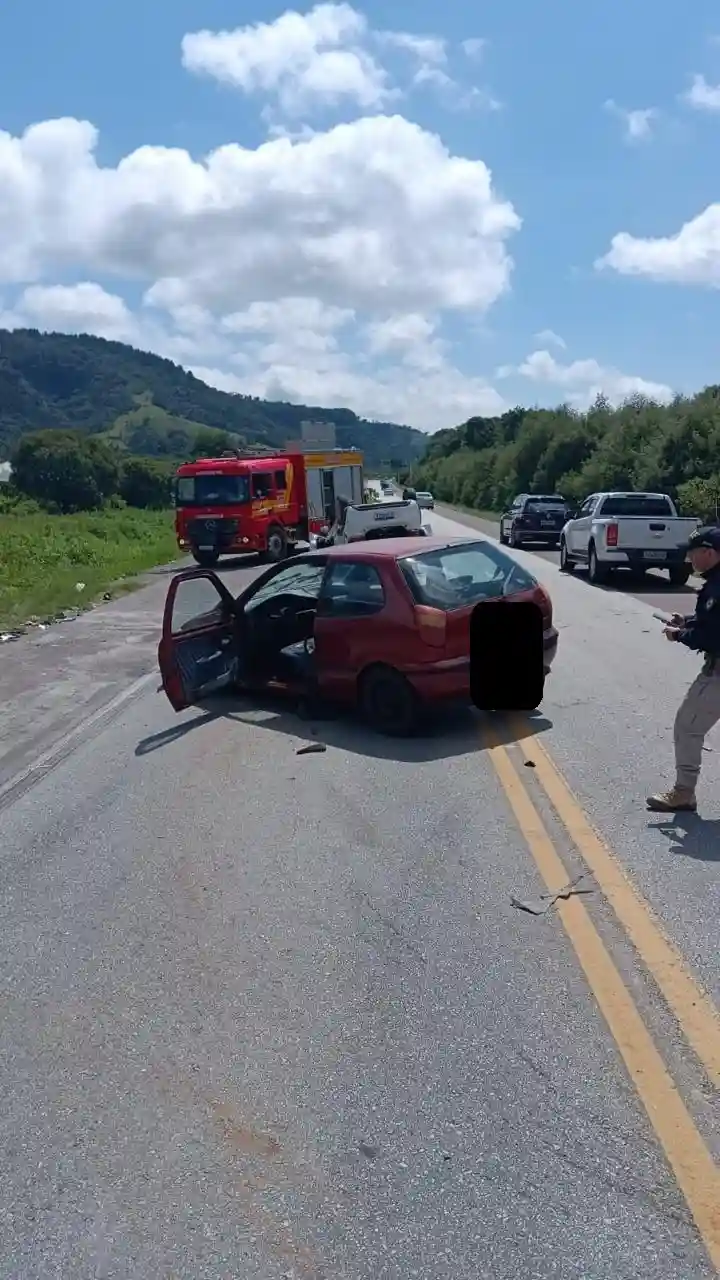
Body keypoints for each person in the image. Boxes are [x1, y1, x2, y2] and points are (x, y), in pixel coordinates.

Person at [647, 525, 720, 812]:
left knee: (687, 726)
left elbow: (712, 636)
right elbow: (711, 621)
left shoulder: (717, 585)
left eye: (693, 553)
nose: (689, 560)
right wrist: (686, 621)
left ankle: (683, 792)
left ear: (709, 552)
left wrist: (679, 635)